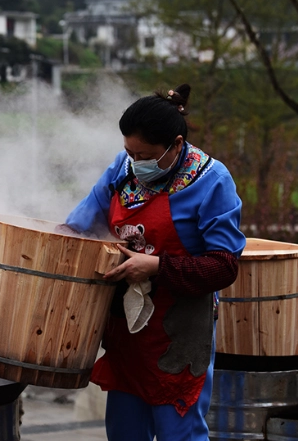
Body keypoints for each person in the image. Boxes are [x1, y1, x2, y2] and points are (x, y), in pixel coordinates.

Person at [58, 84, 246, 440]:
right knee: (125, 432)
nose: (135, 163)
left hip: (178, 333)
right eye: (130, 152)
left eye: (145, 156)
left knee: (180, 433)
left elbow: (224, 266)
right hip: (127, 333)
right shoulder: (122, 169)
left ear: (176, 145)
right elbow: (80, 225)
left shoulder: (212, 182)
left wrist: (157, 267)